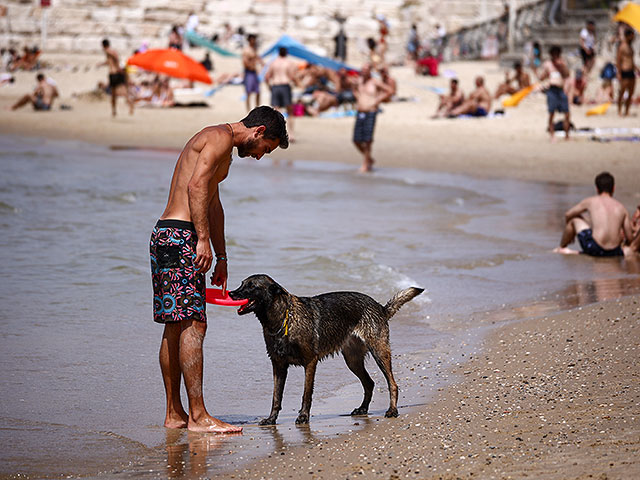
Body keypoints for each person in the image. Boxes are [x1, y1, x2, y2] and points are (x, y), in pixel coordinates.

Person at [150, 106, 288, 433]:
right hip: (181, 236)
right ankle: (198, 417)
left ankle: (175, 414)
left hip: (168, 235)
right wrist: (201, 240)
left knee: (175, 326)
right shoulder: (219, 138)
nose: (258, 157)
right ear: (258, 132)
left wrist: (222, 257)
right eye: (264, 150)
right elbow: (196, 187)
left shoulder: (220, 143)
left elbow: (212, 202)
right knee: (194, 325)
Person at [553, 172, 639, 257]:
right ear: (613, 188)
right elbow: (629, 238)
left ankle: (562, 247)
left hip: (594, 248)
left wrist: (570, 234)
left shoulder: (590, 201)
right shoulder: (622, 208)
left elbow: (568, 214)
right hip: (615, 251)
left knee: (574, 220)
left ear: (597, 189)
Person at [352, 63, 394, 173]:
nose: (364, 71)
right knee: (356, 139)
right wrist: (357, 96)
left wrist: (377, 100)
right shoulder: (359, 81)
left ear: (370, 71)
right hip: (360, 111)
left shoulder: (375, 82)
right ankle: (369, 159)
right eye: (363, 69)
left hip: (371, 111)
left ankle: (365, 163)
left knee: (368, 140)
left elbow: (390, 91)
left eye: (366, 69)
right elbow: (354, 89)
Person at [264, 47, 298, 141]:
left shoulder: (273, 62)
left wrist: (269, 87)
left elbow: (267, 77)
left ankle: (277, 133)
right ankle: (291, 134)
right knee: (290, 111)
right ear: (286, 53)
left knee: (277, 111)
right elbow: (291, 76)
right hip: (285, 86)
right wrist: (297, 84)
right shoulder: (288, 63)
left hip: (275, 86)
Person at [537, 45, 570, 141]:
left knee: (567, 113)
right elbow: (542, 77)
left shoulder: (562, 63)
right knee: (552, 113)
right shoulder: (547, 64)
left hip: (561, 89)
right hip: (552, 89)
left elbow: (567, 74)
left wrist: (561, 66)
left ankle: (567, 135)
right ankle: (552, 135)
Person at [100, 38, 134, 117]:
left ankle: (129, 105)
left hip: (115, 74)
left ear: (104, 45)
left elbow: (116, 57)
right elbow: (110, 61)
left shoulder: (108, 51)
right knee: (114, 94)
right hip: (112, 74)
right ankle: (114, 111)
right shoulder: (109, 52)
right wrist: (101, 64)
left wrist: (118, 66)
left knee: (121, 92)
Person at [616, 28, 637, 117]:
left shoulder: (630, 47)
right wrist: (619, 73)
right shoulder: (622, 46)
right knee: (622, 92)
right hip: (624, 71)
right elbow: (618, 60)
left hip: (631, 71)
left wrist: (636, 68)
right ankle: (619, 110)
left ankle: (627, 110)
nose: (633, 37)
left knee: (631, 92)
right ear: (628, 36)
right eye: (632, 35)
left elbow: (631, 60)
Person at [242, 34, 262, 112]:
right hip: (249, 72)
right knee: (248, 92)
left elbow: (257, 57)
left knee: (258, 92)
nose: (254, 41)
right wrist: (251, 67)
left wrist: (262, 64)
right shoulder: (246, 50)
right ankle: (248, 110)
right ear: (250, 40)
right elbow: (245, 62)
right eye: (253, 39)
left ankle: (257, 109)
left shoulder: (254, 49)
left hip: (254, 72)